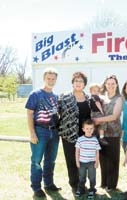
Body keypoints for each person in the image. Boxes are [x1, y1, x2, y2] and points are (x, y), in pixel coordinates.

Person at [25, 67, 61, 198]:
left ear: (56, 80)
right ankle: (36, 187)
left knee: (50, 161)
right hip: (40, 131)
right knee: (36, 161)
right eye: (48, 78)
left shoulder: (55, 96)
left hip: (54, 132)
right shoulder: (35, 94)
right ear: (44, 79)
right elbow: (29, 114)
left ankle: (49, 184)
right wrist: (32, 133)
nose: (51, 81)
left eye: (53, 79)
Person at [58, 71, 91, 193]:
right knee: (72, 160)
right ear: (73, 83)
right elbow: (57, 113)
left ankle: (82, 183)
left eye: (81, 81)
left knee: (84, 160)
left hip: (85, 135)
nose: (78, 83)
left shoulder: (88, 98)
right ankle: (74, 184)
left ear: (84, 84)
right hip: (69, 134)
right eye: (76, 81)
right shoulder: (64, 97)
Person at [92, 75, 123, 191]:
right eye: (108, 83)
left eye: (113, 83)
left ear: (116, 85)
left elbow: (115, 116)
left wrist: (98, 120)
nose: (110, 86)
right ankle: (104, 183)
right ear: (105, 85)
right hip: (101, 132)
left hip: (114, 133)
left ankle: (112, 184)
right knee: (103, 158)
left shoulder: (119, 98)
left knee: (113, 159)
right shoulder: (102, 97)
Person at [75, 119, 101, 198]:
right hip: (82, 162)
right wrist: (77, 161)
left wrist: (97, 162)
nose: (89, 130)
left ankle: (92, 190)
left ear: (93, 129)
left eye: (91, 128)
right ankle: (81, 190)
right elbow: (77, 151)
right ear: (83, 129)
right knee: (82, 177)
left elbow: (97, 152)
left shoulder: (95, 140)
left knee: (92, 177)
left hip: (91, 163)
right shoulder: (80, 139)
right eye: (87, 128)